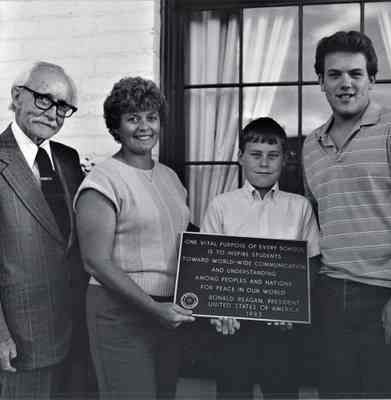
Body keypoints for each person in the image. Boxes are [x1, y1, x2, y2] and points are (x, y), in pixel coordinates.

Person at [74, 76, 195, 399]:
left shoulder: (170, 177)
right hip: (118, 313)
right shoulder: (103, 180)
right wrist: (154, 309)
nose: (144, 126)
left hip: (168, 311)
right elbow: (95, 261)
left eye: (151, 117)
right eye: (133, 118)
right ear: (117, 126)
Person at [302, 30, 391, 398]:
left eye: (356, 74)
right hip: (330, 294)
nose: (345, 83)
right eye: (335, 75)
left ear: (372, 80)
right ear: (321, 82)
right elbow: (316, 221)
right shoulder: (312, 144)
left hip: (385, 294)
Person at [201, 117, 320, 399]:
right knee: (232, 391)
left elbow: (312, 264)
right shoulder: (221, 206)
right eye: (255, 155)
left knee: (282, 392)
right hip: (233, 326)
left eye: (272, 156)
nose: (264, 163)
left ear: (284, 160)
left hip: (282, 328)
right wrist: (219, 310)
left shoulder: (299, 207)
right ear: (241, 157)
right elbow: (208, 266)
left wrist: (294, 307)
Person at [0, 61, 92, 399]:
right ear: (17, 96)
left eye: (63, 106)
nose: (53, 112)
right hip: (23, 338)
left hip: (77, 330)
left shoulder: (68, 158)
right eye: (44, 99)